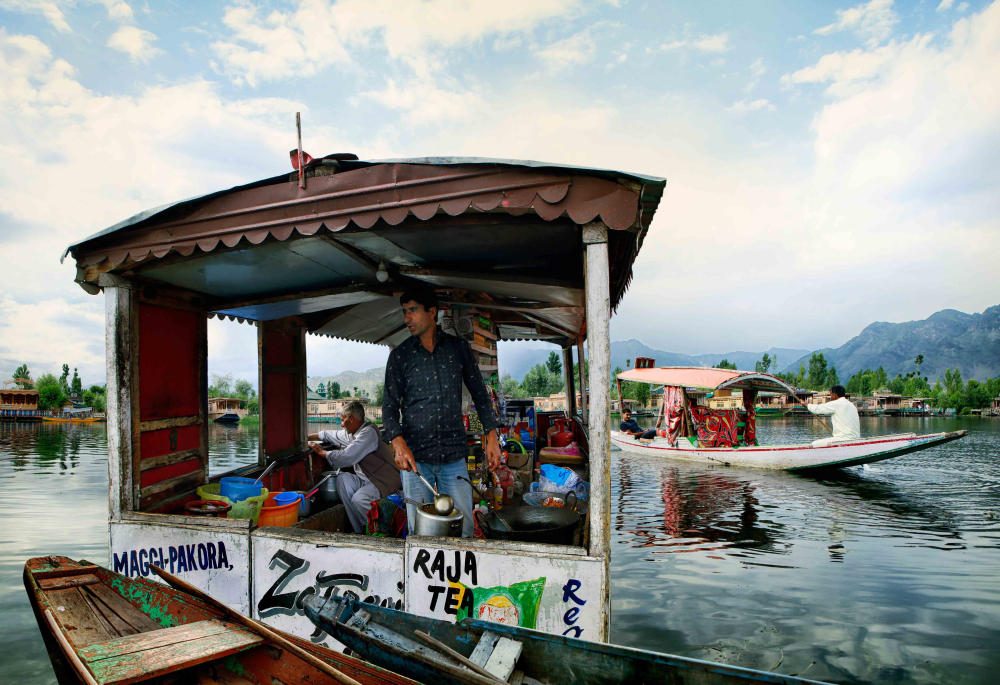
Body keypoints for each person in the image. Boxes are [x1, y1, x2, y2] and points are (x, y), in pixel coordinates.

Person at [382, 288, 502, 538]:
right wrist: (397, 441)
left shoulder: (458, 348)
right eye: (405, 312)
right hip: (416, 459)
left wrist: (491, 436)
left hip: (453, 454)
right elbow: (390, 407)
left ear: (432, 312)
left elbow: (480, 394)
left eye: (413, 311)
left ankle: (462, 578)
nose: (407, 319)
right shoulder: (400, 355)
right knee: (419, 530)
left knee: (464, 526)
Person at [307, 400, 402, 534]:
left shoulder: (368, 433)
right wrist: (306, 437)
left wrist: (322, 452)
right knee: (342, 479)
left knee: (359, 499)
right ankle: (361, 530)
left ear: (350, 419)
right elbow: (330, 435)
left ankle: (380, 530)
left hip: (383, 481)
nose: (341, 424)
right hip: (368, 480)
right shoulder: (353, 433)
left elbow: (346, 457)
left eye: (342, 420)